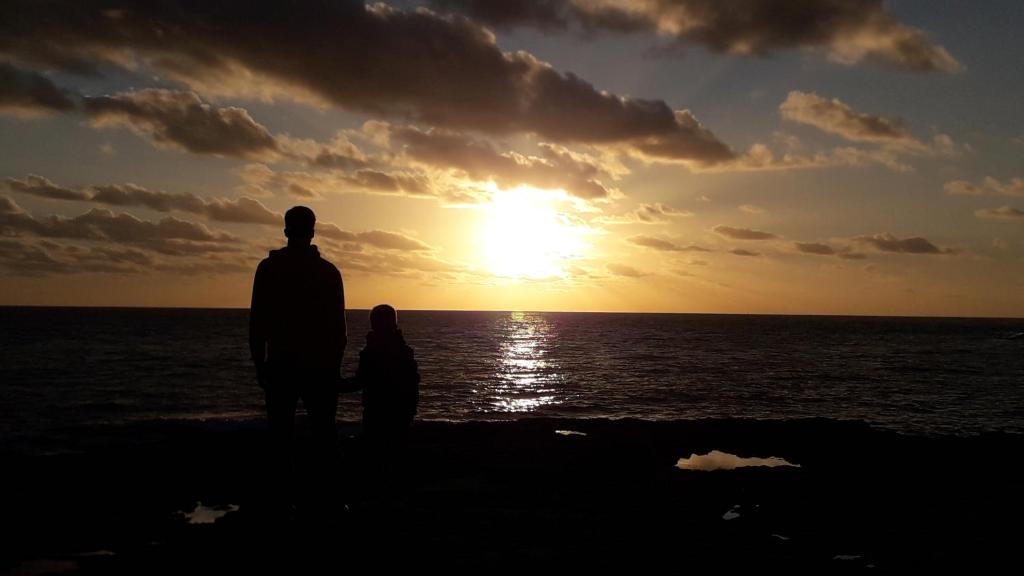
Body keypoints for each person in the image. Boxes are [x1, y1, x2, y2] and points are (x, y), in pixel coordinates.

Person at [249, 206, 347, 514]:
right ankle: (327, 498)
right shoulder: (328, 272)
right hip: (318, 367)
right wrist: (333, 367)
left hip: (281, 364)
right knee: (324, 434)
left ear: (286, 230)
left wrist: (259, 364)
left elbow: (257, 323)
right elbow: (339, 330)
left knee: (281, 435)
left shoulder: (269, 269)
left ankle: (282, 499)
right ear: (313, 231)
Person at [353, 304, 419, 453]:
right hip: (401, 412)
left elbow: (360, 381)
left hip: (377, 412)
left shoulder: (371, 352)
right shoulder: (405, 351)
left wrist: (334, 384)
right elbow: (413, 384)